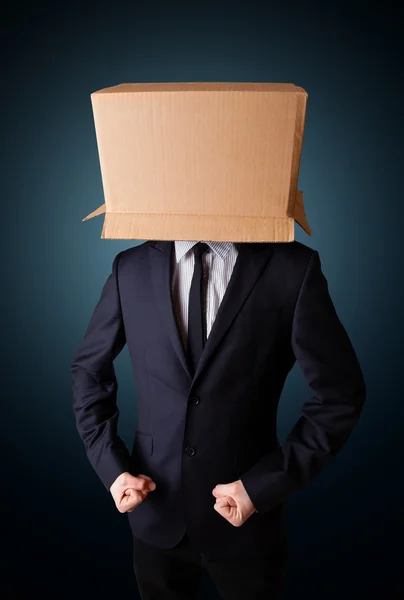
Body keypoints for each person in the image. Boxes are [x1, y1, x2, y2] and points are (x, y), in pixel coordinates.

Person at [70, 239, 366, 600]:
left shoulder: (293, 268)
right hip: (154, 511)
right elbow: (89, 372)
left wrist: (264, 485)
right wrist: (111, 467)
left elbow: (340, 395)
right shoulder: (129, 268)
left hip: (250, 520)